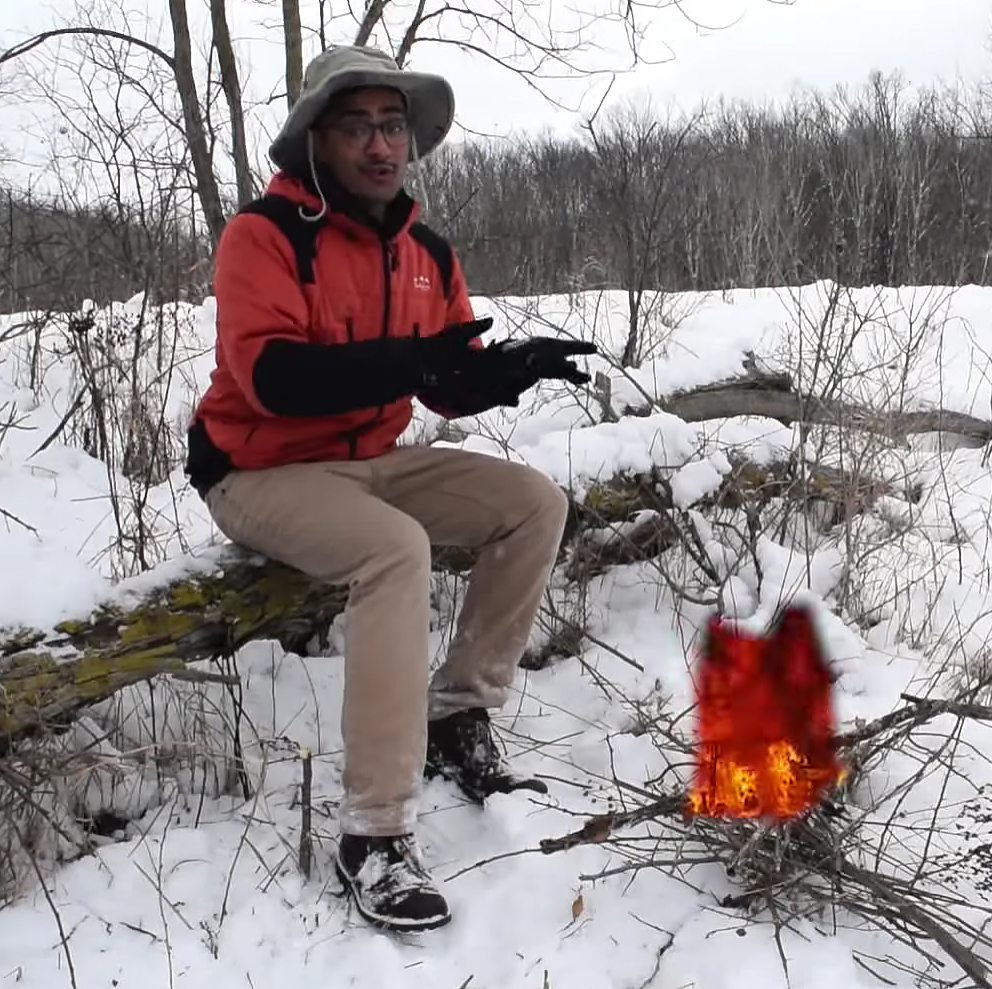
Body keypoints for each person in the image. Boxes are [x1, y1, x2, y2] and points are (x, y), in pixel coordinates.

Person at [183, 45, 596, 934]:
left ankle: (458, 714)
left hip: (370, 460)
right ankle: (373, 831)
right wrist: (414, 362)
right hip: (258, 469)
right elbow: (274, 381)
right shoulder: (265, 235)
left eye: (393, 126)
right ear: (316, 139)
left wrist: (504, 371)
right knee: (393, 550)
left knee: (534, 502)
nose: (380, 145)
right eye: (357, 127)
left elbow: (444, 381)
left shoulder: (424, 253)